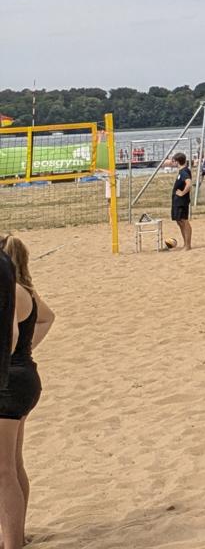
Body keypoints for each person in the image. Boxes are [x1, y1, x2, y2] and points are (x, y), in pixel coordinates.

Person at [0, 234, 54, 549]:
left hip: (9, 384)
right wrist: (24, 351)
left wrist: (10, 358)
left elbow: (9, 334)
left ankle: (12, 542)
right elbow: (47, 318)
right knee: (13, 465)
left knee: (3, 471)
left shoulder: (9, 289)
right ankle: (17, 535)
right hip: (26, 378)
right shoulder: (26, 290)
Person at [167, 153, 195, 250]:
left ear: (177, 162)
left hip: (181, 201)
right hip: (177, 201)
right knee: (179, 221)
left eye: (173, 161)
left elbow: (189, 184)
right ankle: (185, 244)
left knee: (184, 221)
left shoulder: (184, 172)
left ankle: (188, 245)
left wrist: (182, 193)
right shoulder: (182, 171)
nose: (172, 163)